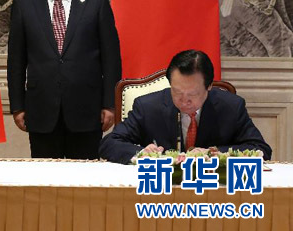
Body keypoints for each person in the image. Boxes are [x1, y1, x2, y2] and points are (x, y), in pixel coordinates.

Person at [7, 0, 122, 159]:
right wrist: (18, 105)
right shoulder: (25, 3)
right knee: (45, 176)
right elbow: (16, 61)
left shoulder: (96, 2)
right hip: (41, 109)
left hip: (87, 111)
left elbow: (111, 59)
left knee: (85, 175)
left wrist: (110, 104)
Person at [99, 49, 272, 164]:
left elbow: (261, 149)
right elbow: (109, 143)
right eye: (177, 92)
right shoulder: (148, 107)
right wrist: (142, 153)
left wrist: (216, 154)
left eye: (192, 94)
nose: (184, 101)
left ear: (209, 86)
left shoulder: (231, 107)